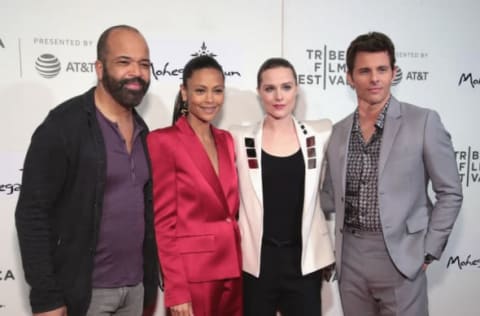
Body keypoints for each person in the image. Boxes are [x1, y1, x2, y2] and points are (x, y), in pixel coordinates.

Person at [15, 25, 159, 316]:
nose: (137, 72)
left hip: (135, 291)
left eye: (144, 64)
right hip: (85, 294)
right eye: (124, 62)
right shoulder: (64, 126)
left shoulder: (146, 133)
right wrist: (47, 298)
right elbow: (32, 213)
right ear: (99, 67)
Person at [321, 31, 463, 315]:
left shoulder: (423, 121)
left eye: (382, 69)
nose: (374, 78)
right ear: (349, 77)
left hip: (400, 256)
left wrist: (427, 249)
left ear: (393, 72)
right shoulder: (336, 132)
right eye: (365, 71)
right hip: (350, 258)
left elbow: (450, 192)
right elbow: (326, 197)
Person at [230, 57, 335, 316]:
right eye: (270, 88)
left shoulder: (322, 134)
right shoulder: (238, 138)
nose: (279, 96)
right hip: (257, 262)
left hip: (304, 261)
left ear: (297, 89)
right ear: (259, 92)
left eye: (286, 87)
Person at [146, 55, 242, 316]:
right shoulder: (163, 141)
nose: (210, 99)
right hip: (193, 275)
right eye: (200, 90)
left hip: (233, 269)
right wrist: (176, 289)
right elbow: (164, 222)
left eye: (217, 90)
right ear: (184, 93)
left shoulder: (227, 140)